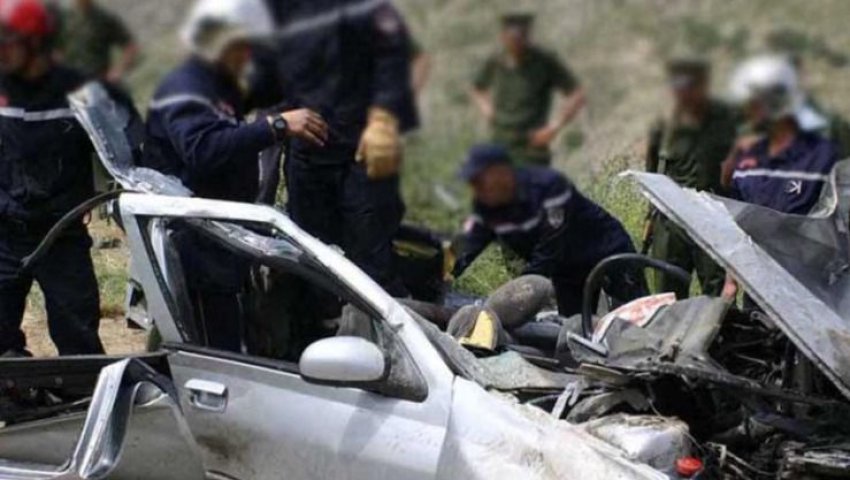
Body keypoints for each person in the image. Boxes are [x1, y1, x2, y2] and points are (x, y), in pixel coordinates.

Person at [142, 0, 328, 351]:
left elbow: (267, 88)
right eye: (244, 47)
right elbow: (202, 150)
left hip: (217, 240)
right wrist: (275, 126)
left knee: (222, 336)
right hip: (195, 244)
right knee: (211, 350)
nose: (249, 57)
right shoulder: (185, 88)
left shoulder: (216, 82)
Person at [264, 0, 418, 297]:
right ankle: (312, 333)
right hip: (306, 151)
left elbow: (395, 59)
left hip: (361, 153)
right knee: (307, 256)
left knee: (370, 261)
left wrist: (384, 118)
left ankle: (389, 335)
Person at [0, 0, 103, 356]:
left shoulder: (80, 90)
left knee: (79, 338)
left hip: (62, 235)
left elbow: (123, 152)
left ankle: (81, 402)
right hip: (5, 232)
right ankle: (17, 398)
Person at [452, 144, 644, 317]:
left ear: (502, 174)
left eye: (479, 181)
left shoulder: (549, 187)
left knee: (641, 316)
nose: (475, 189)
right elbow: (468, 247)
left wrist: (512, 298)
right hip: (568, 271)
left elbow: (549, 249)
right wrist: (443, 273)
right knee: (574, 333)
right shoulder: (486, 206)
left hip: (607, 251)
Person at [722, 55, 839, 299]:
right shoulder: (747, 160)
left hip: (809, 296)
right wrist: (730, 287)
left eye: (755, 102)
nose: (747, 110)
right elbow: (738, 225)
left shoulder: (823, 157)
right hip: (759, 296)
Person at [645, 55, 737, 298]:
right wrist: (651, 219)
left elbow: (737, 171)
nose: (684, 94)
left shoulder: (724, 120)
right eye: (678, 87)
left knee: (716, 295)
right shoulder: (662, 125)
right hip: (670, 220)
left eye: (690, 86)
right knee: (667, 295)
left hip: (710, 215)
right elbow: (652, 172)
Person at [471, 13, 586, 167]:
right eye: (511, 38)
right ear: (503, 37)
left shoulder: (544, 61)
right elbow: (477, 88)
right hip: (501, 140)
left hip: (532, 146)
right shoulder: (496, 61)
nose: (516, 43)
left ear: (527, 37)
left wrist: (554, 127)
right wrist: (488, 110)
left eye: (520, 38)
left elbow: (576, 94)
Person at [55, 0, 138, 83]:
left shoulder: (103, 18)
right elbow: (56, 50)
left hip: (100, 80)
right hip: (75, 84)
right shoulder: (63, 18)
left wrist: (117, 71)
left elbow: (130, 46)